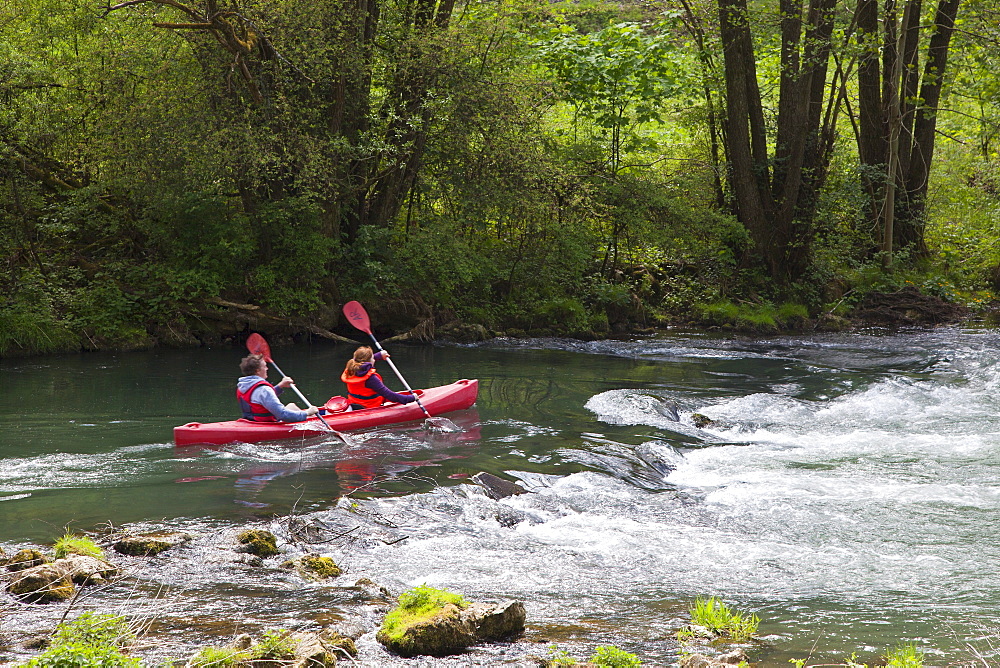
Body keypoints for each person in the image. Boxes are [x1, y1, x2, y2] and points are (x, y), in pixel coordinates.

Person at [237, 353, 320, 422]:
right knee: (299, 410)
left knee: (292, 406)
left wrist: (280, 386)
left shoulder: (243, 386)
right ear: (257, 371)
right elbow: (282, 414)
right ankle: (316, 423)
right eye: (265, 366)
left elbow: (261, 399)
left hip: (251, 421)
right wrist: (307, 413)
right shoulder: (264, 390)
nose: (267, 368)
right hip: (267, 424)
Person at [341, 346, 416, 410]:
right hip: (369, 407)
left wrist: (379, 355)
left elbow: (362, 360)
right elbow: (389, 395)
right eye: (373, 358)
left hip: (355, 405)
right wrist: (410, 398)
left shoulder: (351, 370)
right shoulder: (371, 379)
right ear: (370, 362)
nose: (374, 360)